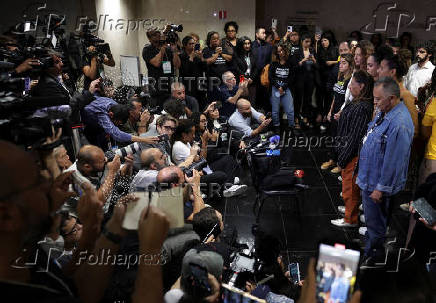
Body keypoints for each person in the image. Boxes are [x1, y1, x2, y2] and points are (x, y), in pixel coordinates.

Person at [357, 77, 414, 267]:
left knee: (376, 227)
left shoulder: (399, 124)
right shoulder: (386, 111)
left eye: (378, 99)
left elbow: (394, 162)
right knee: (375, 225)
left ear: (391, 98)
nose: (375, 102)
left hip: (376, 185)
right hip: (370, 178)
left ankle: (373, 259)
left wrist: (380, 189)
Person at [331, 70, 373, 227]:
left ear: (361, 86)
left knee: (350, 188)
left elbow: (355, 137)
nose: (349, 86)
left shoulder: (362, 107)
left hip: (352, 154)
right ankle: (350, 210)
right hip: (347, 151)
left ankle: (350, 219)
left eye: (352, 83)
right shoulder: (356, 102)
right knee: (347, 187)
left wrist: (343, 158)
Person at [172, 119, 247, 198]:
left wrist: (204, 144)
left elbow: (201, 159)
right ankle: (227, 184)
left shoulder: (186, 142)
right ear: (184, 135)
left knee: (228, 158)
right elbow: (201, 160)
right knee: (221, 175)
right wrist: (204, 142)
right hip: (194, 177)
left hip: (201, 169)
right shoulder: (179, 146)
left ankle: (228, 184)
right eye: (192, 134)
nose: (194, 136)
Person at [82, 81, 159, 151]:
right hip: (81, 124)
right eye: (116, 123)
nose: (141, 112)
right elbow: (117, 134)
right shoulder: (103, 115)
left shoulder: (114, 105)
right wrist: (144, 139)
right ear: (111, 115)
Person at [322, 54, 354, 173]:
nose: (341, 65)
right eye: (340, 62)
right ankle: (332, 159)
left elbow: (348, 99)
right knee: (333, 136)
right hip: (335, 111)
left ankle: (340, 163)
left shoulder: (350, 80)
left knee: (340, 138)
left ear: (350, 65)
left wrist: (340, 112)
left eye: (344, 63)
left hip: (343, 112)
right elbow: (335, 96)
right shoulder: (340, 77)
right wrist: (330, 111)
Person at [142, 29, 181, 104]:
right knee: (158, 113)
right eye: (154, 35)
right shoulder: (147, 49)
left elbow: (177, 65)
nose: (157, 36)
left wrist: (175, 51)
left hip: (169, 86)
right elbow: (157, 63)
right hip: (156, 88)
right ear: (149, 38)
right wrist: (162, 49)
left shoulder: (168, 49)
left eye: (158, 34)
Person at [269, 43, 295, 134]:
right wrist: (278, 86)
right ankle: (277, 126)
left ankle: (292, 127)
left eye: (281, 50)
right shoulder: (274, 63)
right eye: (278, 51)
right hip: (276, 87)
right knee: (275, 110)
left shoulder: (290, 63)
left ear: (285, 51)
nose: (280, 53)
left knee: (290, 110)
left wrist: (283, 87)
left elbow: (292, 77)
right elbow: (270, 77)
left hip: (286, 87)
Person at [294, 33, 318, 129]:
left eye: (309, 42)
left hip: (310, 79)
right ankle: (296, 118)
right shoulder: (297, 52)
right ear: (302, 42)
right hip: (300, 78)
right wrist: (303, 60)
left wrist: (314, 60)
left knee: (308, 99)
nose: (308, 44)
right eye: (306, 42)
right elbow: (295, 66)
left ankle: (305, 117)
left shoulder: (312, 51)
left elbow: (317, 66)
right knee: (298, 99)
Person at [316, 31, 339, 126]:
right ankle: (320, 114)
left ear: (329, 40)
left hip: (331, 76)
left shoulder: (335, 49)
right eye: (322, 41)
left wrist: (332, 62)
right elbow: (318, 61)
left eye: (325, 40)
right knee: (320, 96)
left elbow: (340, 60)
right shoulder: (320, 49)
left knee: (329, 97)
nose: (323, 42)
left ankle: (326, 115)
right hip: (321, 75)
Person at [179, 35, 206, 108]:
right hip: (188, 85)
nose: (192, 46)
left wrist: (201, 57)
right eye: (190, 44)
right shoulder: (181, 56)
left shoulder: (197, 55)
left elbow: (204, 68)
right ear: (185, 45)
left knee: (201, 105)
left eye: (193, 43)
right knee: (191, 106)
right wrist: (191, 57)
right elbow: (186, 71)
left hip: (199, 85)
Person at [234, 36, 258, 103]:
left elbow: (256, 68)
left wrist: (251, 78)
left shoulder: (253, 54)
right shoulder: (236, 55)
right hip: (241, 80)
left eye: (248, 43)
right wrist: (244, 78)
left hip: (251, 81)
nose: (247, 46)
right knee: (242, 102)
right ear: (241, 45)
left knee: (252, 101)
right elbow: (236, 68)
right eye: (245, 44)